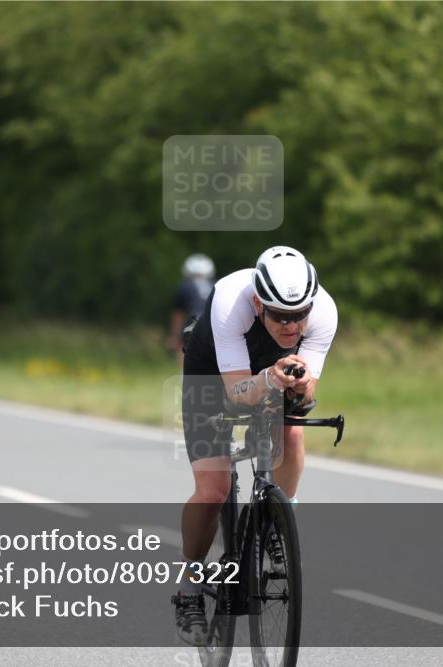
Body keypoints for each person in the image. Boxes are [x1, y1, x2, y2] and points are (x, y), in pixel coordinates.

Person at [172, 246, 337, 646]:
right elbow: (237, 391)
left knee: (293, 430)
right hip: (213, 374)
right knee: (214, 490)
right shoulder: (232, 304)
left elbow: (308, 389)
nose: (291, 325)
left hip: (268, 371)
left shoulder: (324, 311)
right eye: (280, 315)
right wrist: (269, 378)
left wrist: (298, 386)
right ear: (259, 302)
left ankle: (280, 522)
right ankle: (190, 586)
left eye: (299, 316)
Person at [170, 253, 215, 365]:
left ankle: (185, 376)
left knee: (185, 349)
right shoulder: (217, 284)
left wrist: (175, 336)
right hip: (215, 319)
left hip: (195, 319)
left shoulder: (184, 286)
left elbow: (178, 315)